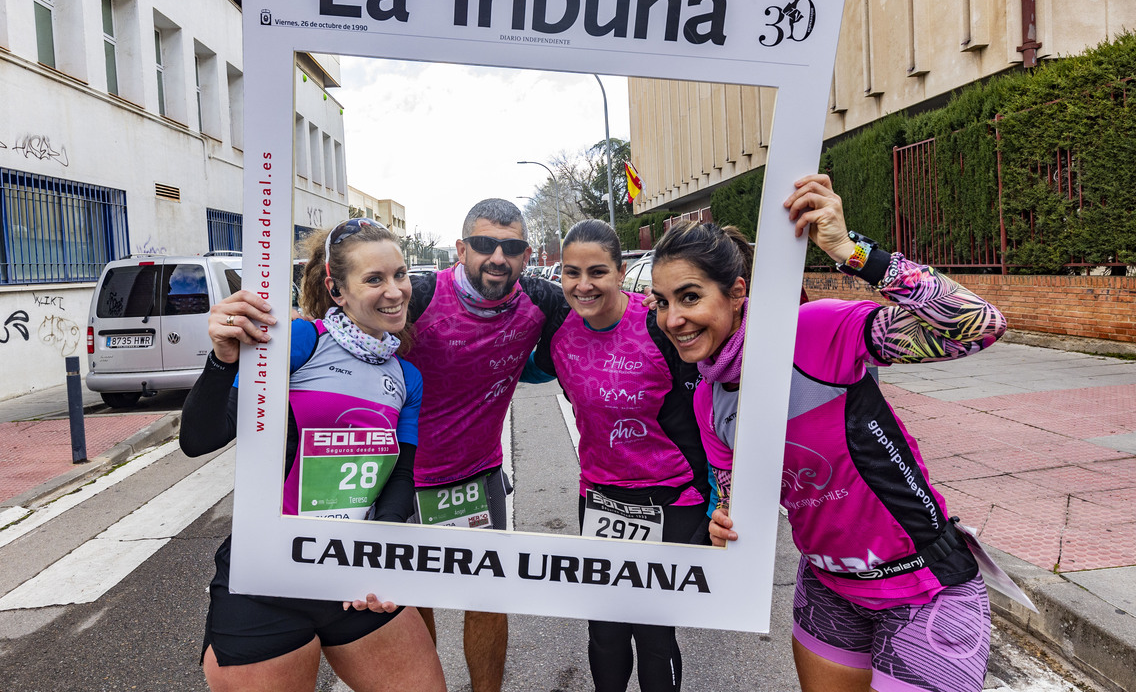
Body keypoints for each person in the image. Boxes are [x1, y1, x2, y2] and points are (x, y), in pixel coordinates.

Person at [649, 174, 1007, 692]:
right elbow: (734, 500)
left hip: (923, 586)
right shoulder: (709, 397)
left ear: (736, 293)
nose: (673, 318)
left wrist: (852, 250)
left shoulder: (815, 332)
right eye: (662, 302)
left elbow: (982, 326)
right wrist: (724, 524)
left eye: (688, 297)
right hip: (827, 591)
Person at [179, 218, 446, 692]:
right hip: (269, 574)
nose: (395, 291)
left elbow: (400, 477)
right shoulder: (302, 342)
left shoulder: (406, 377)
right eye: (374, 279)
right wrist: (222, 359)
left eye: (400, 275)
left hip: (350, 569)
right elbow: (200, 438)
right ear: (337, 289)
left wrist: (380, 553)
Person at [528, 219, 708, 692]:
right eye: (571, 273)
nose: (583, 285)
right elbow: (512, 363)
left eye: (597, 272)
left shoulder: (658, 325)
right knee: (604, 629)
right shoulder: (559, 333)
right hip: (602, 498)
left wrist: (714, 501)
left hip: (671, 497)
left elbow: (703, 414)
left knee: (652, 629)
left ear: (621, 270)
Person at [404, 198, 567, 692]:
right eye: (483, 244)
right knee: (412, 598)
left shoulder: (543, 300)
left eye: (511, 246)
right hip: (404, 476)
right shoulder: (420, 294)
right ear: (461, 249)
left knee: (487, 595)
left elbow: (595, 329)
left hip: (478, 475)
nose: (497, 256)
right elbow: (347, 324)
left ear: (527, 253)